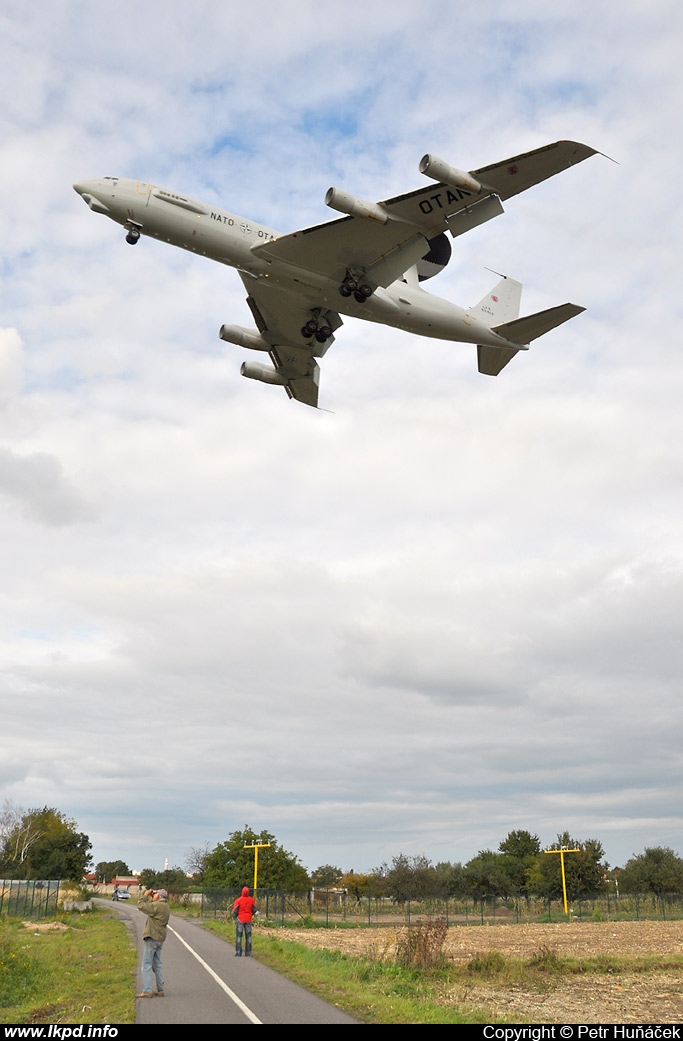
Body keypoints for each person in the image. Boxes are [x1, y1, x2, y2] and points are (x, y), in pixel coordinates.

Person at [136, 888, 170, 997]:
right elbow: (152, 907)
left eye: (155, 894)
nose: (153, 895)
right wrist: (152, 898)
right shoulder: (165, 906)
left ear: (159, 896)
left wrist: (145, 895)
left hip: (152, 937)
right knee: (157, 964)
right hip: (160, 938)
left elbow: (141, 905)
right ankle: (160, 989)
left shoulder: (157, 906)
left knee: (146, 964)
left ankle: (147, 990)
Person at [232, 886, 258, 956]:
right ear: (248, 892)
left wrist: (235, 917)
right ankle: (248, 952)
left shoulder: (238, 900)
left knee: (239, 936)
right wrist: (250, 914)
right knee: (248, 936)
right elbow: (255, 910)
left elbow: (235, 911)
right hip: (248, 919)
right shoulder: (251, 900)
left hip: (240, 919)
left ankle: (238, 952)